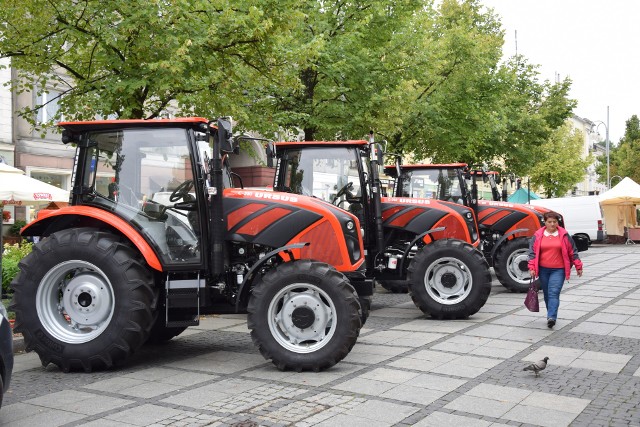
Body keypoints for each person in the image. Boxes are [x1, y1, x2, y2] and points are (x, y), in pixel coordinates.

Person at [528, 211, 583, 328]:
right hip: (543, 270)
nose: (552, 224)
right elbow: (532, 253)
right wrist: (532, 267)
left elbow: (572, 251)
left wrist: (578, 266)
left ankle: (552, 317)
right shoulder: (538, 235)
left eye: (555, 222)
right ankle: (550, 315)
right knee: (547, 294)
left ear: (558, 222)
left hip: (559, 270)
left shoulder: (563, 235)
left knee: (554, 292)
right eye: (550, 222)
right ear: (545, 222)